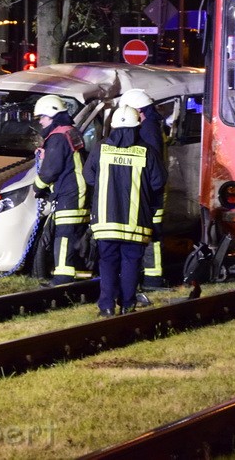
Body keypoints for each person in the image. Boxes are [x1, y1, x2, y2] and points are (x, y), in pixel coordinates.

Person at [83, 106, 167, 317]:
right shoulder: (147, 151)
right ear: (137, 127)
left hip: (105, 222)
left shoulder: (101, 149)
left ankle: (107, 307)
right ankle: (128, 305)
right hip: (136, 222)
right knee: (131, 263)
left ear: (113, 126)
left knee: (108, 263)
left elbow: (89, 176)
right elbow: (158, 182)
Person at [32, 94, 90, 286]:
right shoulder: (69, 131)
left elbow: (51, 170)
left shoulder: (57, 137)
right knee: (69, 233)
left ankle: (63, 278)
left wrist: (37, 187)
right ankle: (69, 273)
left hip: (69, 192)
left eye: (42, 117)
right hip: (76, 190)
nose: (40, 122)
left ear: (52, 115)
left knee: (63, 234)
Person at [122, 88, 168, 290]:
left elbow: (150, 161)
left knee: (151, 233)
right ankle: (150, 276)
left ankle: (152, 279)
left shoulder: (148, 128)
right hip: (151, 188)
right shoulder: (153, 125)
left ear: (139, 110)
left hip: (150, 190)